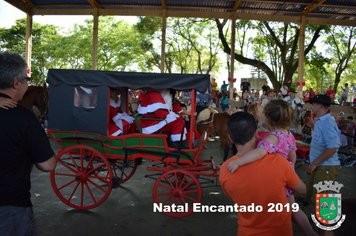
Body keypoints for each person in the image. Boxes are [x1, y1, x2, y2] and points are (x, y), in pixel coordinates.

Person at [228, 100, 317, 236]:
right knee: (294, 208)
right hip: (287, 175)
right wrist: (290, 169)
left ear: (268, 120)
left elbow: (259, 153)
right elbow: (293, 156)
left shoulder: (272, 138)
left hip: (275, 177)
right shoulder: (290, 136)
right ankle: (310, 232)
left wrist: (238, 162)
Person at [0, 52, 57, 235]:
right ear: (16, 82)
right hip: (11, 204)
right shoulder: (24, 118)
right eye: (27, 79)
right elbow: (48, 164)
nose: (27, 83)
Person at [304, 95, 340, 204]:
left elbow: (332, 147)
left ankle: (325, 220)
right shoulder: (320, 120)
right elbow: (323, 138)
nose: (311, 106)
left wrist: (314, 163)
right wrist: (313, 127)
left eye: (313, 104)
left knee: (321, 198)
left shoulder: (327, 122)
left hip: (326, 165)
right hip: (319, 164)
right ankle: (314, 219)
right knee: (310, 194)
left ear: (319, 106)